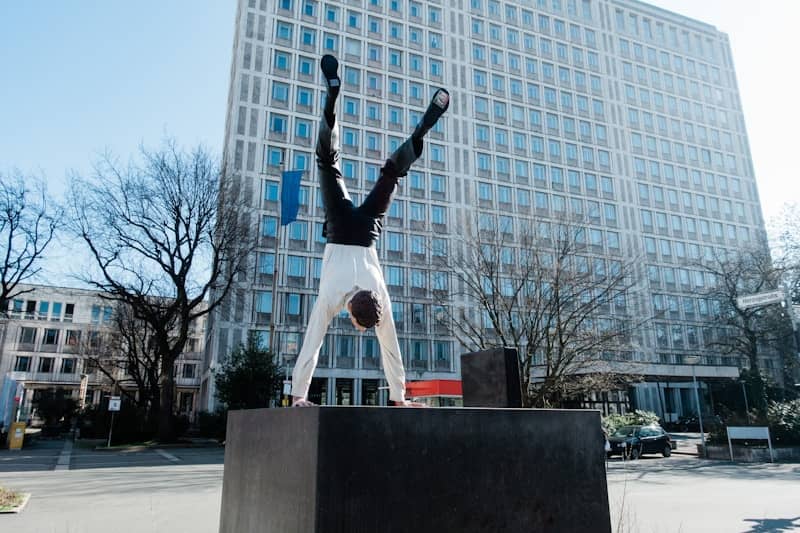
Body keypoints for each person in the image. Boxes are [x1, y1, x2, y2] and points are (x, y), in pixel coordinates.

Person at [291, 54, 449, 407]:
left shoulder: (379, 297)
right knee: (327, 162)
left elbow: (391, 349)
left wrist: (400, 396)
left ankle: (418, 131)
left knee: (391, 174)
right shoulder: (334, 298)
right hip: (339, 228)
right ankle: (332, 101)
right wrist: (297, 396)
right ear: (351, 313)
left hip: (366, 231)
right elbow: (312, 344)